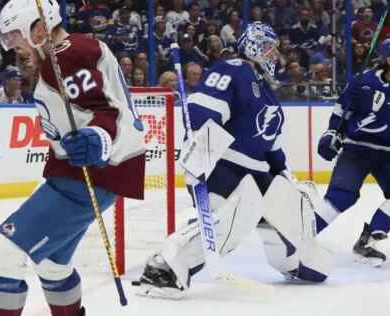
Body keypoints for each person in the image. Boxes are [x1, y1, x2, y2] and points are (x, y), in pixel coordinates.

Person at [134, 22, 330, 299]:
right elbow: (203, 112)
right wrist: (198, 147)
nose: (274, 55)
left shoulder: (267, 91)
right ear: (252, 46)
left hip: (260, 172)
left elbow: (271, 146)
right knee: (234, 216)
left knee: (295, 201)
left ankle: (295, 262)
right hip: (226, 167)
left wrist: (284, 174)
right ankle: (165, 266)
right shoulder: (233, 69)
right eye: (269, 49)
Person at [0, 1, 146, 315]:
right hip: (83, 177)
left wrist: (98, 138)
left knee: (3, 251)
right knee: (51, 265)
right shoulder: (58, 59)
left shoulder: (69, 54)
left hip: (90, 178)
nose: (12, 46)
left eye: (15, 35)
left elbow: (107, 110)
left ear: (40, 27)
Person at [316, 38, 390, 266]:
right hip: (357, 149)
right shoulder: (362, 82)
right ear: (389, 60)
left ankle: (368, 240)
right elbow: (342, 109)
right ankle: (300, 235)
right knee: (342, 195)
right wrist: (333, 132)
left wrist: (378, 107)